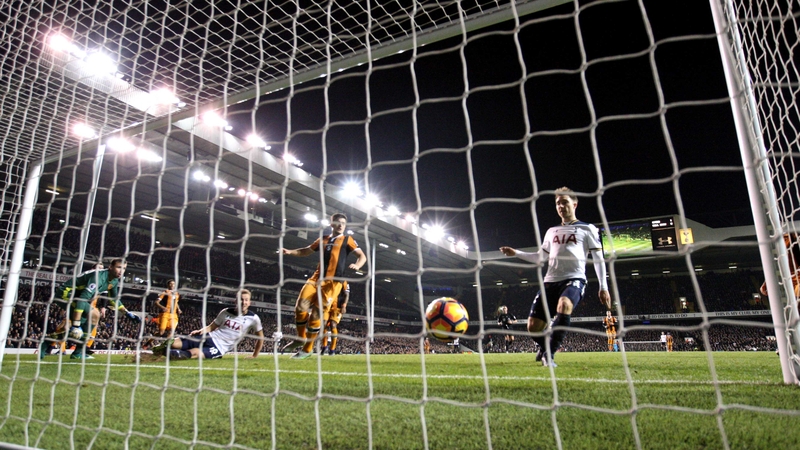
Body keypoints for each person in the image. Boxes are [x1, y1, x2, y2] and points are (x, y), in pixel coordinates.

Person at [500, 187, 611, 367]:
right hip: (550, 281)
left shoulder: (587, 229)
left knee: (564, 305)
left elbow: (599, 259)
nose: (561, 206)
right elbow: (540, 257)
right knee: (533, 327)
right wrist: (516, 253)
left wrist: (603, 287)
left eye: (565, 202)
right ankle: (544, 349)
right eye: (558, 203)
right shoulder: (552, 231)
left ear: (574, 204)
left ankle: (549, 356)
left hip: (574, 279)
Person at [281, 213, 367, 359]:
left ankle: (307, 349)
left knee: (316, 313)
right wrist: (290, 252)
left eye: (343, 223)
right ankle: (301, 338)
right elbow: (306, 250)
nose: (341, 225)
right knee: (300, 307)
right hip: (316, 278)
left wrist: (358, 265)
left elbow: (362, 256)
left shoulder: (348, 240)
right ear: (331, 224)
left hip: (333, 283)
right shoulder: (323, 240)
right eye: (338, 222)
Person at [40, 259, 140, 360]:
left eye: (124, 268)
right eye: (119, 267)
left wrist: (127, 313)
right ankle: (70, 349)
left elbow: (113, 299)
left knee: (92, 319)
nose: (121, 271)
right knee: (84, 322)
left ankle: (71, 350)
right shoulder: (98, 277)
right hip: (65, 294)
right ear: (110, 267)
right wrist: (76, 324)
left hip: (78, 297)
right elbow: (82, 299)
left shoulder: (114, 280)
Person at [152, 289, 263, 359]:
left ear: (249, 302)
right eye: (241, 300)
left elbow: (261, 338)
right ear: (235, 301)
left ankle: (172, 354)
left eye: (246, 300)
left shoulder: (253, 318)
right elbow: (212, 327)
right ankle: (158, 350)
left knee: (193, 353)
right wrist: (200, 331)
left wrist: (254, 355)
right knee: (174, 342)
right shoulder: (225, 312)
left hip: (219, 347)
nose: (243, 302)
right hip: (209, 337)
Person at [322, 281, 349, 355]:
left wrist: (344, 306)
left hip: (338, 307)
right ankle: (324, 346)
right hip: (327, 305)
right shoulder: (329, 278)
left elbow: (347, 294)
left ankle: (332, 349)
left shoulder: (344, 282)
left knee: (333, 325)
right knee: (323, 325)